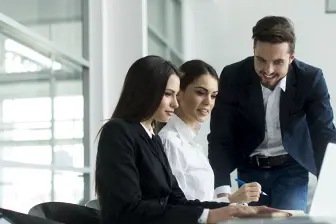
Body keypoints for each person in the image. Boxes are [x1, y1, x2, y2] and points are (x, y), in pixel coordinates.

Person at [95, 55, 280, 224]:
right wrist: (208, 215)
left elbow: (178, 201)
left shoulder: (153, 139)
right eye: (168, 94)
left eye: (175, 95)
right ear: (146, 91)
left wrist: (235, 209)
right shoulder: (118, 132)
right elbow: (126, 209)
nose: (175, 104)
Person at [208, 16, 336, 211]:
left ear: (291, 58)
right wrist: (223, 193)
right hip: (248, 168)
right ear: (253, 50)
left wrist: (330, 188)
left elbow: (324, 134)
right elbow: (220, 136)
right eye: (260, 60)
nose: (268, 70)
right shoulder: (233, 76)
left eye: (277, 62)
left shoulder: (311, 80)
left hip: (291, 169)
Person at [158, 59, 262, 204]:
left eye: (213, 96)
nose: (209, 102)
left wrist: (235, 202)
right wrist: (231, 200)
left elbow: (202, 201)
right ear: (179, 93)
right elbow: (178, 207)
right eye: (201, 92)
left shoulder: (192, 145)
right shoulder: (170, 142)